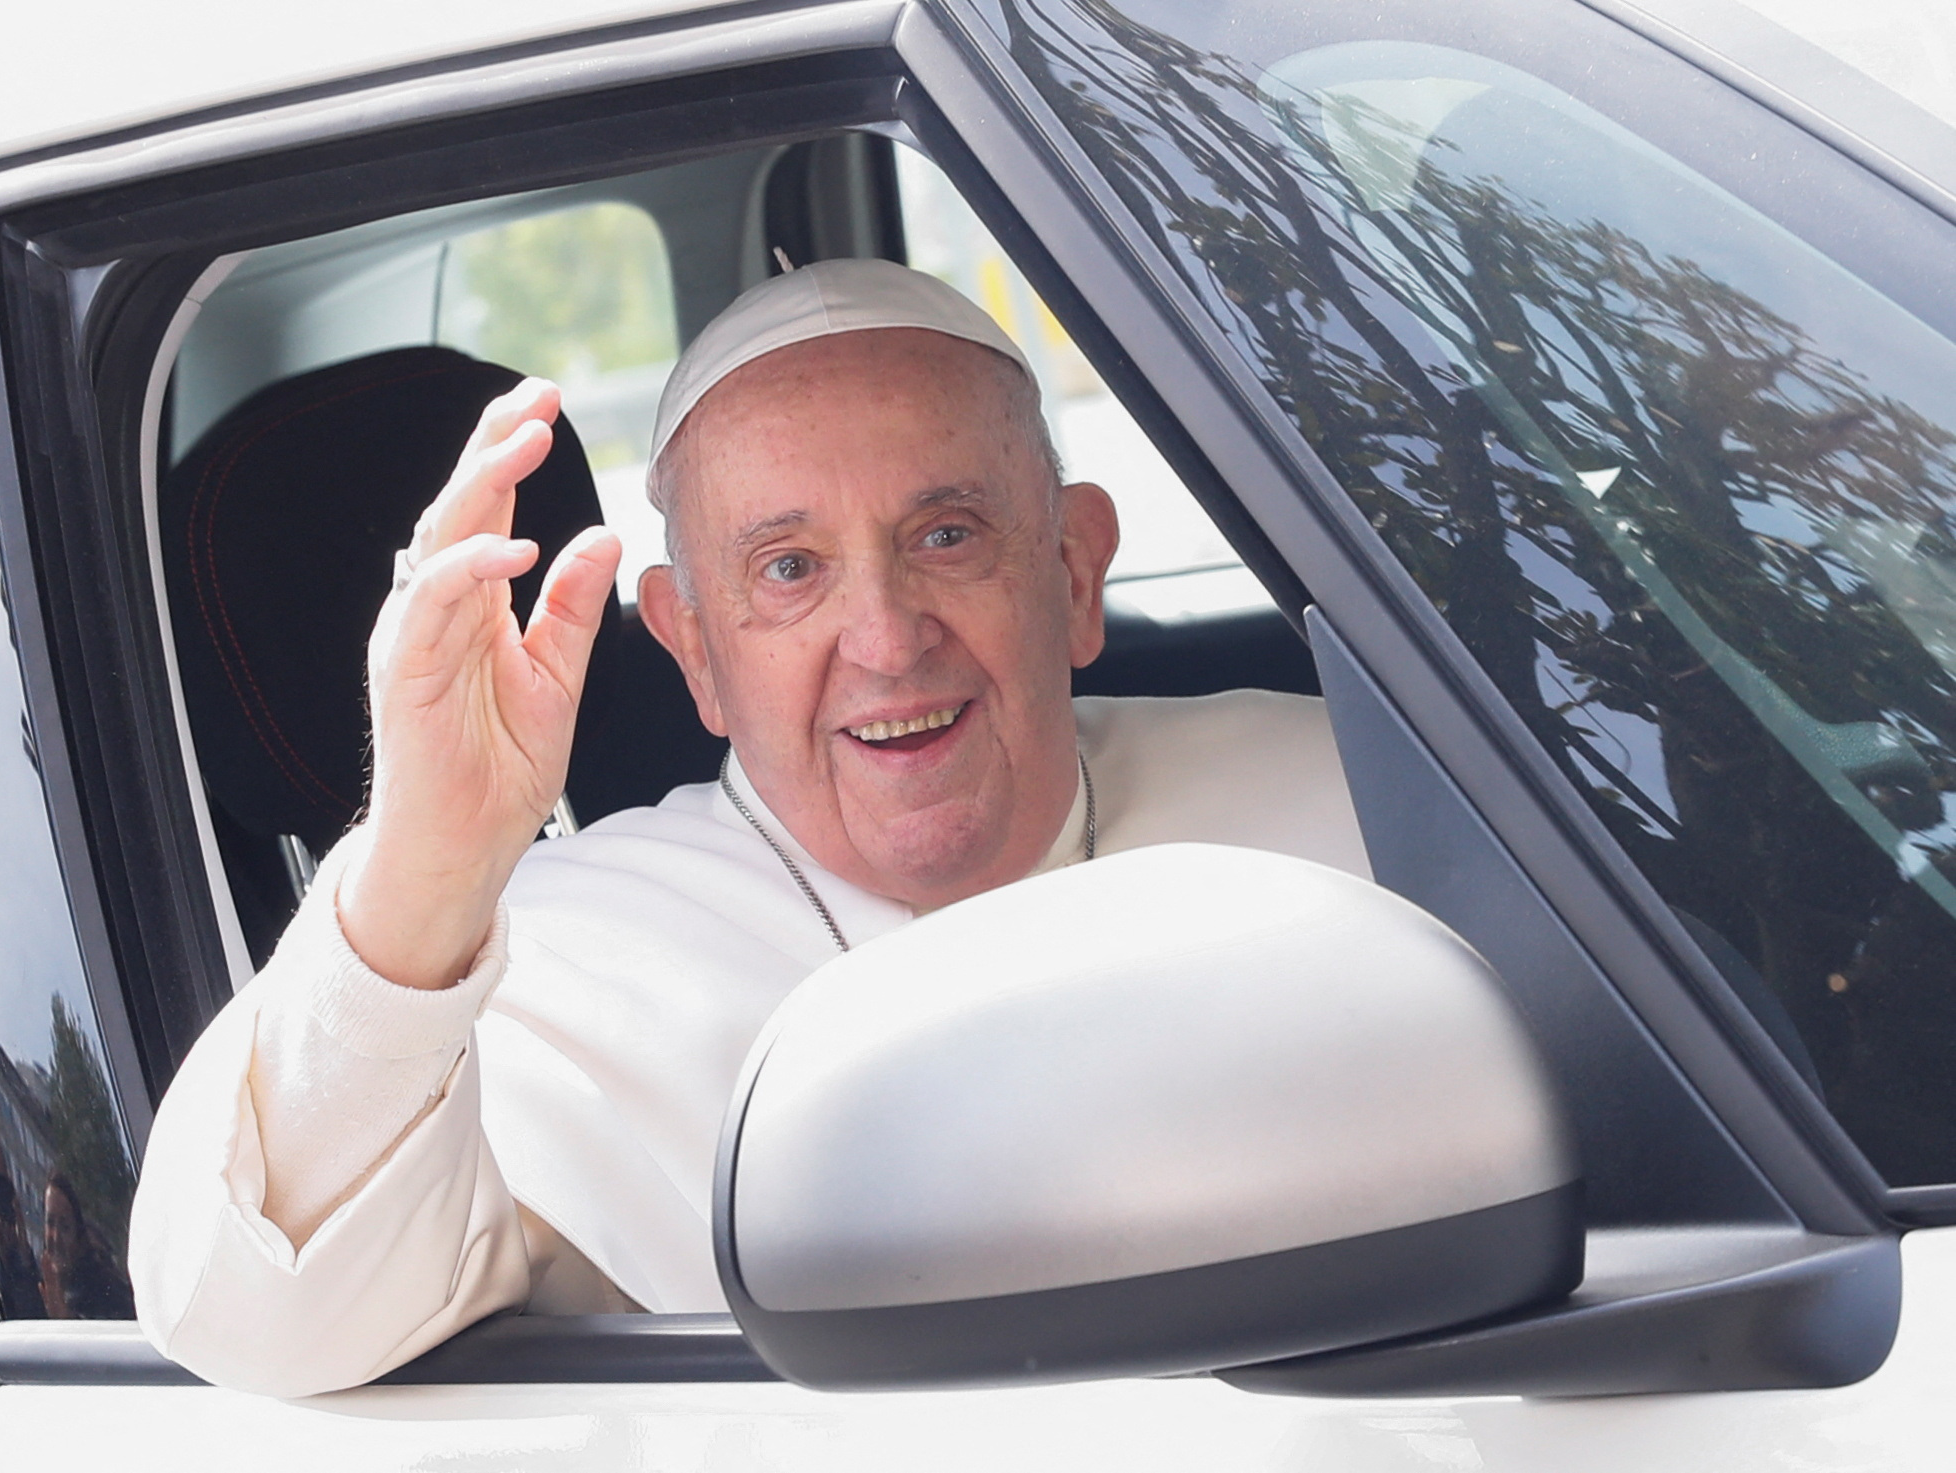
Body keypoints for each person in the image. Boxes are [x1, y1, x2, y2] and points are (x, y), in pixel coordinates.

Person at [129, 259, 1371, 1397]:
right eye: (789, 570)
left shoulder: (1354, 789)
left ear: (1074, 570)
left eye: (947, 536)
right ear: (693, 651)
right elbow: (257, 1321)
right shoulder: (546, 974)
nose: (886, 639)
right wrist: (427, 871)